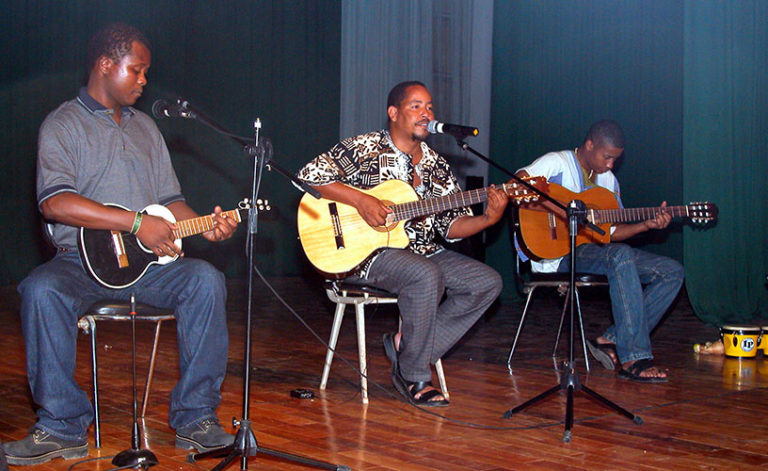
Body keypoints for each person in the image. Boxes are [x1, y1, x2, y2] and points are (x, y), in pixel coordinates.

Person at [5, 24, 238, 466]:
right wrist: (134, 222)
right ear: (106, 65)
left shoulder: (146, 127)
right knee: (40, 290)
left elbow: (170, 202)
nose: (144, 80)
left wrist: (205, 225)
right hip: (79, 263)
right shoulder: (62, 123)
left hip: (149, 266)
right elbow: (55, 203)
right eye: (138, 70)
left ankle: (196, 420)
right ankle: (60, 426)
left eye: (146, 72)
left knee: (205, 281)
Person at [297, 81, 507, 406]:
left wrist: (488, 219)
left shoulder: (437, 166)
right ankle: (414, 375)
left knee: (486, 282)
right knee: (425, 274)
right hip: (365, 254)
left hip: (423, 253)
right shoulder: (366, 147)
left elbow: (450, 227)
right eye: (416, 106)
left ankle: (406, 347)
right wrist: (363, 201)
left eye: (430, 107)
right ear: (393, 113)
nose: (426, 114)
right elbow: (309, 175)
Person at [515, 119, 684, 382]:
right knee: (620, 255)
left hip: (595, 253)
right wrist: (563, 211)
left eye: (615, 160)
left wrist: (645, 226)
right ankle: (634, 358)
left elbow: (611, 233)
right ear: (590, 145)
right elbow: (517, 186)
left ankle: (613, 338)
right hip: (557, 255)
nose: (610, 165)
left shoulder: (609, 182)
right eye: (607, 157)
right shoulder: (556, 162)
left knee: (671, 272)